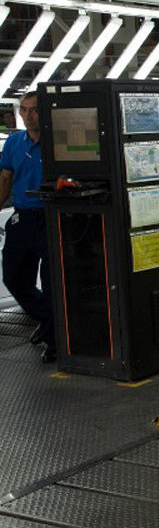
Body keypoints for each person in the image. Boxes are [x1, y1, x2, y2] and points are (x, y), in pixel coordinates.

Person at [0, 91, 56, 363]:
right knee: (14, 278)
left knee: (51, 281)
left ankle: (55, 340)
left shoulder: (57, 143)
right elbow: (5, 179)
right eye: (23, 109)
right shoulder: (13, 143)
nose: (27, 116)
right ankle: (49, 320)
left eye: (33, 110)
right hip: (22, 218)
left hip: (51, 217)